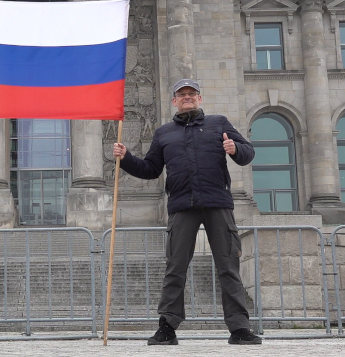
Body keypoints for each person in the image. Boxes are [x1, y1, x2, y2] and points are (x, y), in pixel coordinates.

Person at [112, 78, 261, 346]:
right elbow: (150, 169)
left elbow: (248, 153)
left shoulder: (219, 123)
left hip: (217, 204)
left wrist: (235, 149)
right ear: (174, 101)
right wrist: (126, 158)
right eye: (182, 94)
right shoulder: (164, 133)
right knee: (175, 268)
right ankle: (167, 327)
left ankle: (239, 328)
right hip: (182, 207)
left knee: (228, 267)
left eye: (192, 93)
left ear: (200, 98)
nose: (187, 97)